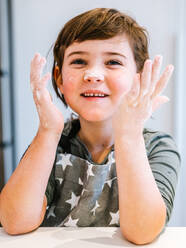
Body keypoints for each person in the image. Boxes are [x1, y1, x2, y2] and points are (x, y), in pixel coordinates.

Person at [0, 8, 180, 245]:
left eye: (113, 61)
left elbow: (143, 232)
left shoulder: (157, 147)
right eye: (79, 61)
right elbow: (14, 222)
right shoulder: (52, 142)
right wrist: (47, 131)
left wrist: (128, 134)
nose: (93, 74)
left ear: (139, 78)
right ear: (59, 79)